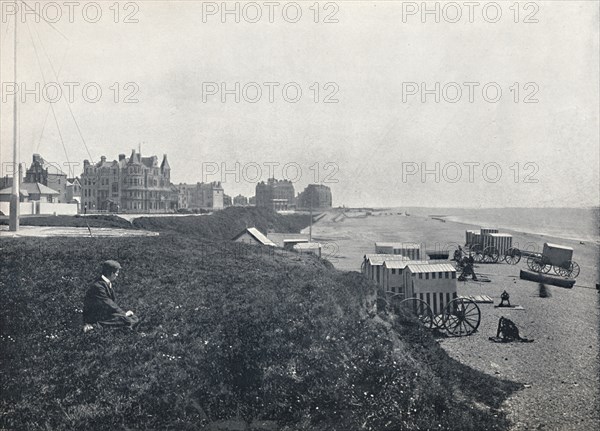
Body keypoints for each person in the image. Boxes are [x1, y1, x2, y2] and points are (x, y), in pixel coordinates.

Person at [83, 260, 139, 331]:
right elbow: (108, 303)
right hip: (95, 317)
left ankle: (126, 329)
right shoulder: (98, 286)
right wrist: (124, 313)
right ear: (112, 273)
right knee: (126, 320)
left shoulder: (105, 283)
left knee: (134, 318)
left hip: (105, 314)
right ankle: (94, 326)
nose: (117, 275)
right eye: (117, 273)